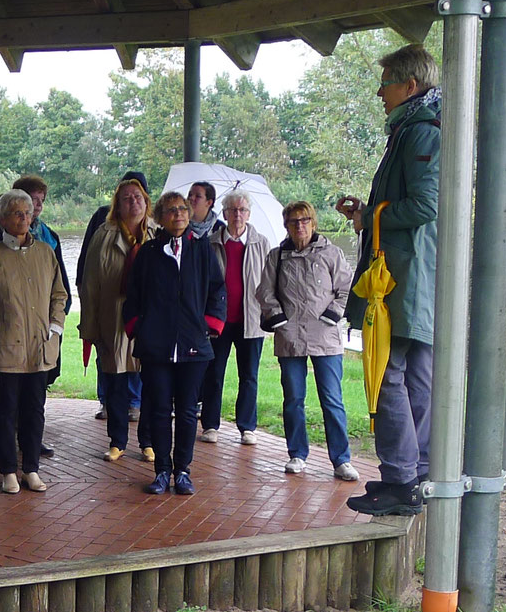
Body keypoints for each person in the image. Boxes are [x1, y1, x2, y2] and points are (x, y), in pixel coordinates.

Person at [334, 43, 442, 517]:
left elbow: (424, 207)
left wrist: (371, 218)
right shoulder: (418, 128)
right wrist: (369, 211)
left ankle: (401, 478)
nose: (380, 93)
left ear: (409, 86)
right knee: (416, 376)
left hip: (404, 280)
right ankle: (416, 474)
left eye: (385, 84)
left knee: (387, 374)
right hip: (415, 276)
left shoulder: (420, 133)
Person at [123, 191, 225, 496]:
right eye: (171, 210)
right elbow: (133, 296)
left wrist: (209, 324)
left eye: (183, 209)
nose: (179, 214)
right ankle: (161, 471)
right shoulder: (149, 252)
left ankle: (182, 471)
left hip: (194, 346)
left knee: (186, 411)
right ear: (160, 216)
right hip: (156, 346)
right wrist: (137, 328)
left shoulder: (203, 249)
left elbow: (217, 289)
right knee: (157, 410)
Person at [0, 189, 68, 494]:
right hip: (7, 347)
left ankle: (31, 469)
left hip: (40, 345)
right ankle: (8, 471)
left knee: (35, 410)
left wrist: (55, 327)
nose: (23, 218)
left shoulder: (45, 252)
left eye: (27, 213)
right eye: (16, 213)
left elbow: (60, 294)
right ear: (2, 219)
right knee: (5, 412)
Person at [259, 200, 360, 482]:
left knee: (332, 399)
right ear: (286, 226)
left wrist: (332, 315)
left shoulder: (331, 253)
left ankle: (341, 460)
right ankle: (297, 454)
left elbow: (347, 289)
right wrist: (278, 318)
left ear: (313, 223)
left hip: (325, 336)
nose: (299, 226)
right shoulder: (277, 256)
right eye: (293, 221)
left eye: (304, 220)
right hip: (290, 336)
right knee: (293, 398)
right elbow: (265, 291)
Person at [80, 177, 154, 462]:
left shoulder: (158, 234)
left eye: (138, 197)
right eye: (126, 198)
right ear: (117, 205)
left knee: (151, 382)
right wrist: (90, 326)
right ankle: (117, 441)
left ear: (146, 202)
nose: (133, 202)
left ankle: (147, 441)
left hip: (150, 321)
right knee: (116, 382)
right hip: (113, 319)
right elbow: (90, 284)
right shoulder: (103, 234)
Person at [199, 191, 273, 446]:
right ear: (225, 213)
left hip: (251, 320)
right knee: (214, 372)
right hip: (219, 320)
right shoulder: (210, 243)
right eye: (233, 210)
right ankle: (210, 424)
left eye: (242, 210)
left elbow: (269, 281)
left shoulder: (261, 243)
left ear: (248, 214)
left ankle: (247, 427)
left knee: (249, 375)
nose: (238, 214)